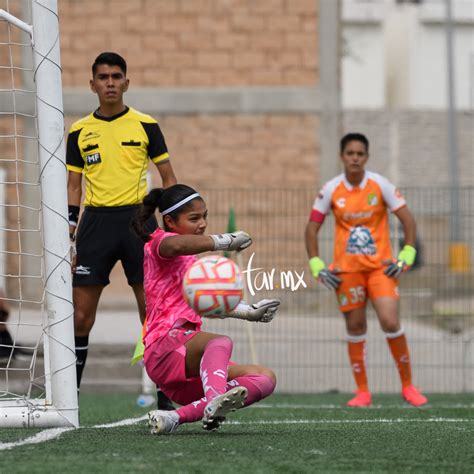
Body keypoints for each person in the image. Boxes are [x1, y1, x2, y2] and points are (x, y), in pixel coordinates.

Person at [66, 52, 177, 410]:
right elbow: (73, 187)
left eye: (116, 76)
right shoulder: (80, 131)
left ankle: (166, 400)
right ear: (93, 85)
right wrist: (68, 232)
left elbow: (169, 179)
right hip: (95, 225)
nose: (110, 82)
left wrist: (170, 226)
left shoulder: (146, 125)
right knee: (80, 317)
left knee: (153, 314)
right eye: (103, 77)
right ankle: (71, 400)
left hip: (139, 223)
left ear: (126, 83)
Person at [132, 184, 279, 434]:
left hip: (183, 366)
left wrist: (248, 312)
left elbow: (208, 304)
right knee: (220, 342)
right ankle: (214, 400)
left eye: (205, 216)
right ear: (169, 220)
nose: (202, 223)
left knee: (264, 377)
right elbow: (178, 246)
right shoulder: (158, 244)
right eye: (194, 218)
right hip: (163, 347)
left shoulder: (190, 260)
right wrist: (224, 241)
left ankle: (174, 417)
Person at [305, 133, 428, 407]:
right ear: (342, 156)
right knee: (356, 326)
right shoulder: (330, 189)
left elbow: (408, 220)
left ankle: (408, 387)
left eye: (360, 154)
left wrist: (406, 254)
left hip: (380, 270)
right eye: (350, 153)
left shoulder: (380, 184)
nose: (355, 158)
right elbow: (312, 228)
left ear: (366, 157)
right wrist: (316, 264)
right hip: (347, 272)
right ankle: (363, 392)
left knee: (390, 321)